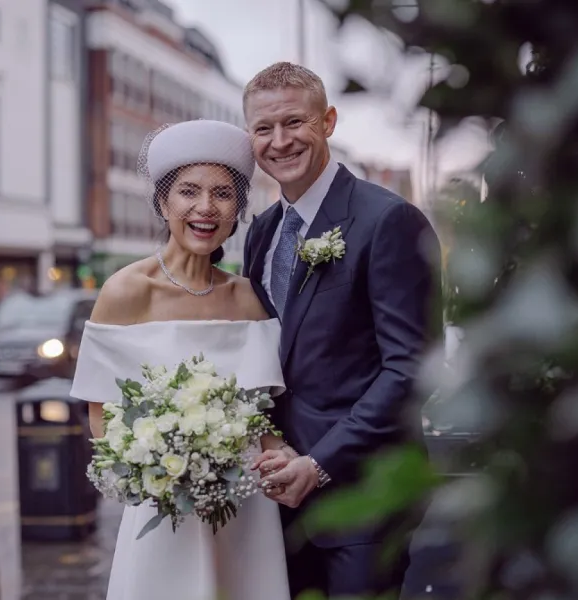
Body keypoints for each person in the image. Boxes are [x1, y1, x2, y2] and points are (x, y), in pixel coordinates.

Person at [70, 119, 293, 600]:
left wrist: (285, 458)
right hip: (162, 505)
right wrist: (154, 471)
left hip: (245, 508)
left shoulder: (249, 299)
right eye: (188, 192)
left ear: (237, 210)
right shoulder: (127, 291)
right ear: (163, 202)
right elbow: (101, 412)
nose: (205, 208)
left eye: (223, 194)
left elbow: (264, 419)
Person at [243, 62, 441, 598]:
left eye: (294, 123)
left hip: (364, 502)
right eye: (263, 129)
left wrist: (320, 462)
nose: (279, 141)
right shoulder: (261, 233)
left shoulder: (388, 221)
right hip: (277, 499)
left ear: (328, 121)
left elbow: (413, 368)